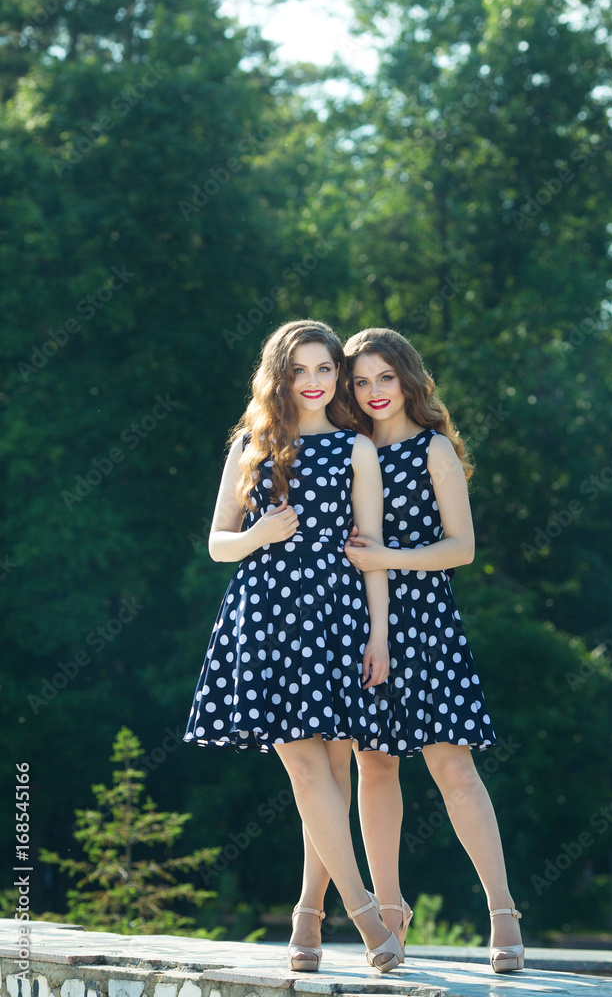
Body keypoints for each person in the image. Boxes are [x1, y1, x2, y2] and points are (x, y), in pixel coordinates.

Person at [290, 327, 524, 974]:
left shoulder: (433, 448)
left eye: (383, 378)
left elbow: (461, 547)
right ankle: (388, 911)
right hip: (359, 622)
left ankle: (502, 911)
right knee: (374, 766)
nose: (372, 393)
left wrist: (389, 558)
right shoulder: (345, 447)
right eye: (359, 381)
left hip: (427, 622)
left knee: (453, 768)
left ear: (407, 379)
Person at [183, 320, 403, 974]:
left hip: (335, 621)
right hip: (266, 620)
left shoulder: (355, 450)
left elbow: (372, 556)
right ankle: (365, 918)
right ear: (279, 375)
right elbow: (219, 542)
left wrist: (379, 634)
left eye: (325, 370)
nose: (314, 382)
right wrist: (262, 535)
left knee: (332, 777)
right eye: (301, 370)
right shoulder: (252, 441)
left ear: (337, 377)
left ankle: (306, 920)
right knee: (307, 772)